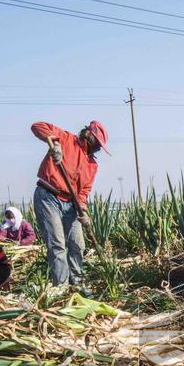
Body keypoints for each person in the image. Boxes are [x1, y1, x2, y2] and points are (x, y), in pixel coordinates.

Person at [30, 120, 109, 289]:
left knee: (78, 244)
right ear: (90, 137)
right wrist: (54, 143)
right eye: (98, 144)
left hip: (71, 205)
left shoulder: (92, 164)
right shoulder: (66, 139)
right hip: (48, 196)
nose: (99, 149)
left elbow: (83, 191)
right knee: (57, 244)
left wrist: (83, 210)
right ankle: (62, 286)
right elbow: (37, 126)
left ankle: (77, 282)